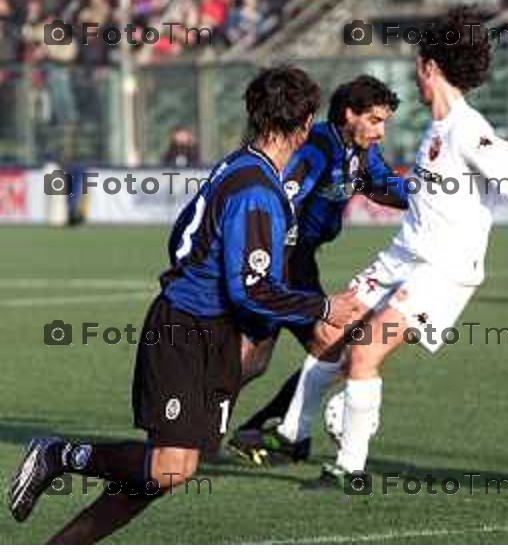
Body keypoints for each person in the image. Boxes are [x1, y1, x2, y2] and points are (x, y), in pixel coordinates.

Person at [8, 65, 356, 542]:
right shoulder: (256, 190)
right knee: (170, 465)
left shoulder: (243, 165)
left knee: (168, 469)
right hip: (186, 329)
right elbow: (250, 289)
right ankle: (58, 455)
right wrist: (321, 309)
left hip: (210, 327)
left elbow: (184, 239)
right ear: (304, 123)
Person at [302, 6, 508, 489]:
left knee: (364, 355)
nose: (414, 73)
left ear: (430, 68)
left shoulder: (462, 126)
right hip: (417, 261)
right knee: (347, 348)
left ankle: (348, 470)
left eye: (417, 64)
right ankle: (317, 436)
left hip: (444, 271)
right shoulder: (447, 128)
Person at [228, 75, 409, 464]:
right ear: (350, 114)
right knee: (286, 352)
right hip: (280, 262)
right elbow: (281, 199)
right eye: (375, 120)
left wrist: (437, 198)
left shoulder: (360, 153)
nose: (381, 131)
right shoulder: (318, 149)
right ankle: (219, 423)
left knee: (302, 351)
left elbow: (391, 188)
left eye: (384, 123)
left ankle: (266, 430)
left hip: (300, 262)